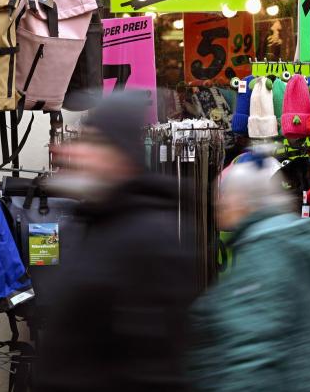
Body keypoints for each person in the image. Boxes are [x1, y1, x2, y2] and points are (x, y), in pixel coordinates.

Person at [33, 92, 198, 392]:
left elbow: (156, 365)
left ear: (119, 156)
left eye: (93, 144)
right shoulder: (95, 222)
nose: (78, 153)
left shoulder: (148, 238)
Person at [188, 149, 310, 392]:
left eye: (226, 195)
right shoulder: (275, 243)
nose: (219, 202)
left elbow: (253, 350)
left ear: (245, 200)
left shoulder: (265, 253)